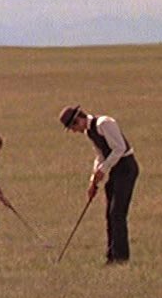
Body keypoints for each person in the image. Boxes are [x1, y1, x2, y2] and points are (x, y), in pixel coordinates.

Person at [59, 105, 139, 265]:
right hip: (115, 170)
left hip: (126, 168)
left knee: (117, 213)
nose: (75, 131)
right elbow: (100, 155)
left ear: (78, 120)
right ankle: (111, 256)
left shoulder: (104, 123)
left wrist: (103, 169)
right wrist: (93, 181)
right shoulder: (90, 132)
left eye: (73, 127)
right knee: (109, 214)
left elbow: (119, 148)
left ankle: (122, 258)